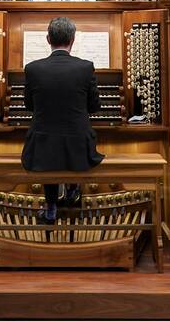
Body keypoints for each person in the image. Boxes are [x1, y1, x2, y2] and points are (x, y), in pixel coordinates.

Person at [21, 16, 103, 225]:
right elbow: (94, 107)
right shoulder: (86, 68)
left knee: (51, 143)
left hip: (41, 147)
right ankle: (73, 188)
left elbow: (29, 106)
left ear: (48, 39)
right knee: (68, 141)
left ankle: (50, 208)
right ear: (73, 40)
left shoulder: (32, 69)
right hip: (79, 147)